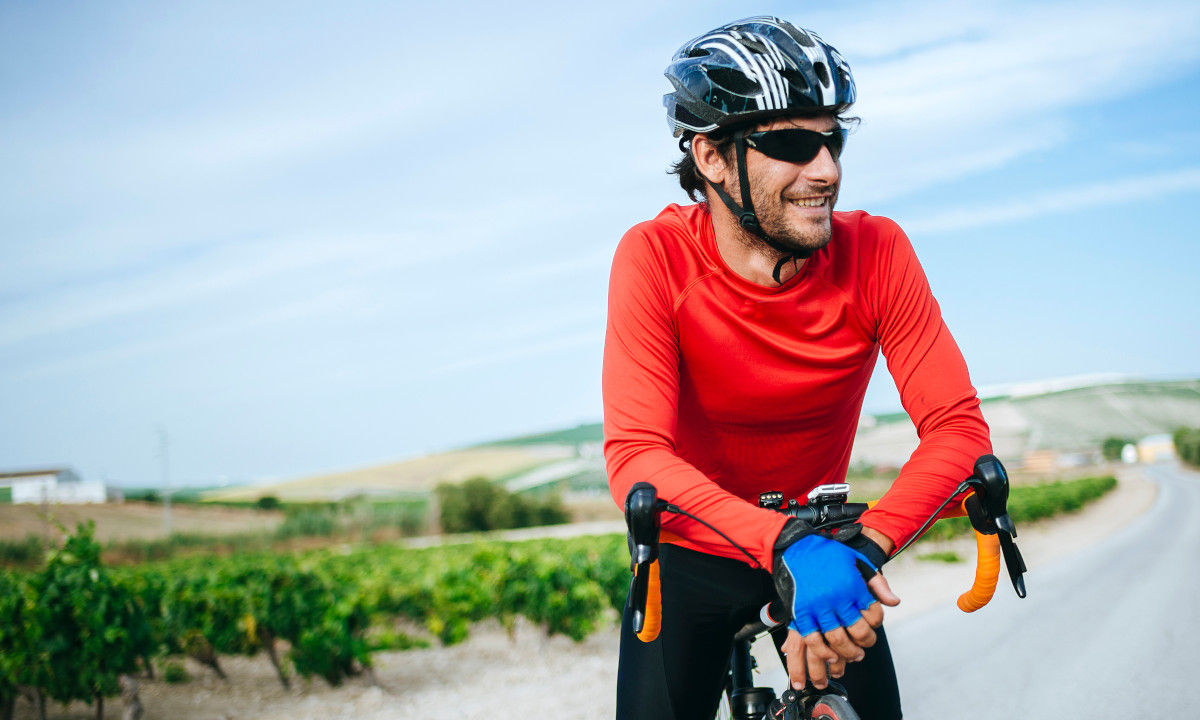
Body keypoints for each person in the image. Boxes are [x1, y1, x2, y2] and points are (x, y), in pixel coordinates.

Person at [602, 16, 992, 720]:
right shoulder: (654, 257)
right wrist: (780, 542)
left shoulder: (877, 251)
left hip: (830, 549)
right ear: (712, 158)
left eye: (833, 138)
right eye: (791, 144)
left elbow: (958, 432)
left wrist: (859, 555)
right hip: (696, 547)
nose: (827, 170)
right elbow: (636, 456)